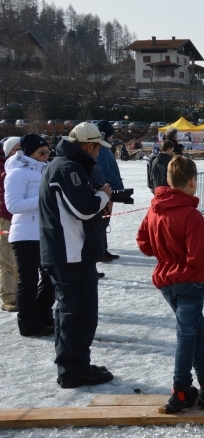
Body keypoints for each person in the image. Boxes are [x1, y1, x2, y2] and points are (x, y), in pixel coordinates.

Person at [136, 156, 204, 413]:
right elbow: (197, 255)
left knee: (197, 330)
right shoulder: (191, 215)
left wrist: (165, 253)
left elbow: (144, 243)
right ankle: (180, 390)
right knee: (187, 334)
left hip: (166, 279)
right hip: (188, 280)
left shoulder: (154, 210)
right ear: (193, 181)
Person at [39, 122, 113, 388]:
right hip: (70, 254)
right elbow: (82, 208)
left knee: (71, 313)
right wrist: (103, 196)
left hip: (69, 252)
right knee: (78, 314)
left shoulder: (64, 165)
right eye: (96, 149)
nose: (96, 155)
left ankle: (74, 365)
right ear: (89, 146)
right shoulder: (66, 168)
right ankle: (73, 370)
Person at [5, 134, 54, 337]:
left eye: (47, 152)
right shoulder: (17, 174)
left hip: (47, 232)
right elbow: (13, 205)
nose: (45, 156)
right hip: (25, 234)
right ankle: (29, 324)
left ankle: (43, 315)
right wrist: (44, 198)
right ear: (29, 153)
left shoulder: (47, 169)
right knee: (28, 281)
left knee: (52, 277)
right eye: (41, 153)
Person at [95, 121, 123, 263]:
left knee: (104, 222)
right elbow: (104, 170)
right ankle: (100, 251)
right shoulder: (103, 150)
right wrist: (117, 180)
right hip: (106, 189)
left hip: (108, 189)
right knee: (103, 221)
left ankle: (103, 249)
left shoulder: (105, 149)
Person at [0, 138, 19, 312]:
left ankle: (19, 294)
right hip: (4, 217)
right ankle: (8, 297)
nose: (19, 153)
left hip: (21, 219)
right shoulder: (4, 170)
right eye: (15, 150)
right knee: (6, 258)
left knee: (20, 258)